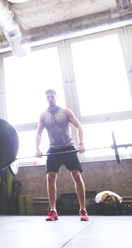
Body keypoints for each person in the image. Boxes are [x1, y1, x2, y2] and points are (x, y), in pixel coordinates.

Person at [35, 89, 89, 222]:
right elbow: (38, 133)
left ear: (56, 97)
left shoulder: (66, 112)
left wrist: (81, 143)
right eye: (48, 97)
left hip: (68, 147)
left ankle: (83, 209)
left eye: (52, 96)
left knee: (76, 175)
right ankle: (53, 210)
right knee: (50, 177)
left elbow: (79, 126)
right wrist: (37, 148)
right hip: (53, 148)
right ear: (46, 99)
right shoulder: (43, 115)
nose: (50, 99)